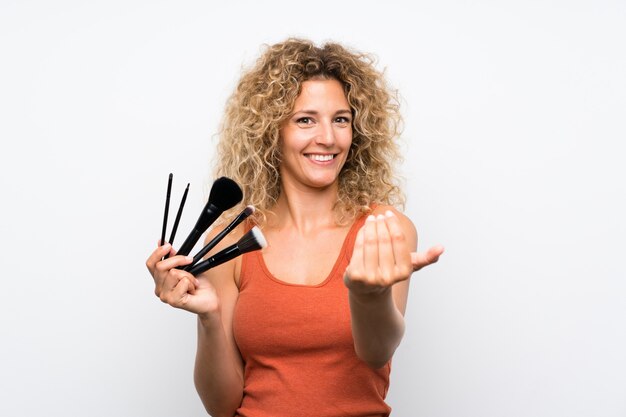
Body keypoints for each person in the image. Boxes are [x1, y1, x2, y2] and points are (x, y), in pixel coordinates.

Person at [146, 38, 444, 417]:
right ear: (272, 131)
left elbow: (377, 352)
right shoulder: (234, 239)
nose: (328, 138)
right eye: (305, 119)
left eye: (341, 119)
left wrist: (370, 296)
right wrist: (208, 317)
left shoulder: (383, 228)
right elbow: (221, 406)